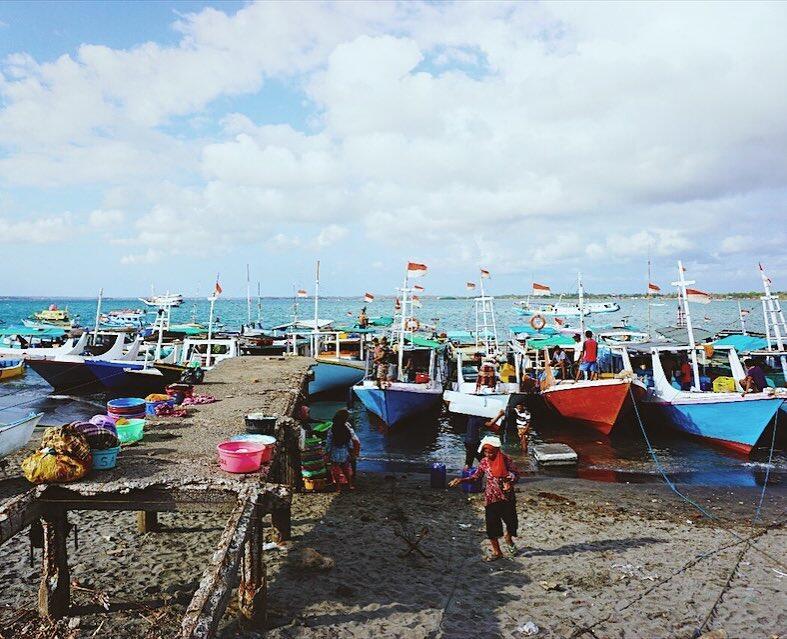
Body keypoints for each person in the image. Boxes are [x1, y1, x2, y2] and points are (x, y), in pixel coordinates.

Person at [449, 435, 520, 561]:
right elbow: (476, 477)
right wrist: (461, 480)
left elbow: (516, 474)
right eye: (485, 452)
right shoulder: (484, 462)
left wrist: (510, 481)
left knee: (512, 523)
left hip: (507, 497)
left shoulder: (506, 460)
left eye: (490, 452)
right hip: (491, 498)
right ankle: (497, 552)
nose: (488, 454)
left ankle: (508, 538)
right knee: (492, 527)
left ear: (496, 450)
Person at [324, 409, 356, 491]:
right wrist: (351, 450)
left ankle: (338, 487)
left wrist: (327, 452)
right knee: (346, 469)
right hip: (344, 451)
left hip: (335, 451)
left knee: (335, 470)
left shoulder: (332, 428)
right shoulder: (345, 428)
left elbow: (329, 442)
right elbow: (349, 441)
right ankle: (350, 485)